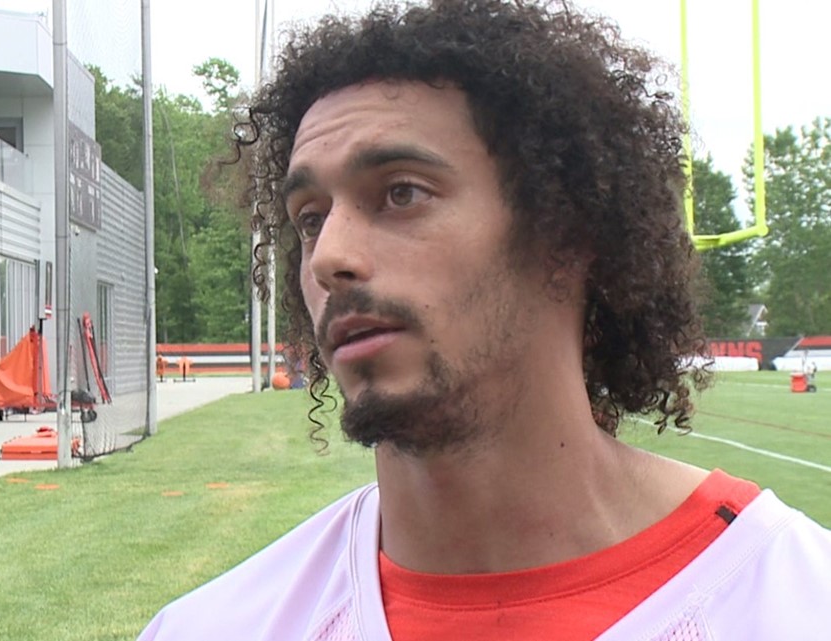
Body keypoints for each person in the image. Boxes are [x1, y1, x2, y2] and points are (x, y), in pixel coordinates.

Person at [139, 1, 831, 639]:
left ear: (565, 231)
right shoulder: (213, 625)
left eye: (401, 193)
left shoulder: (796, 602)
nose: (330, 257)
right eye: (310, 219)